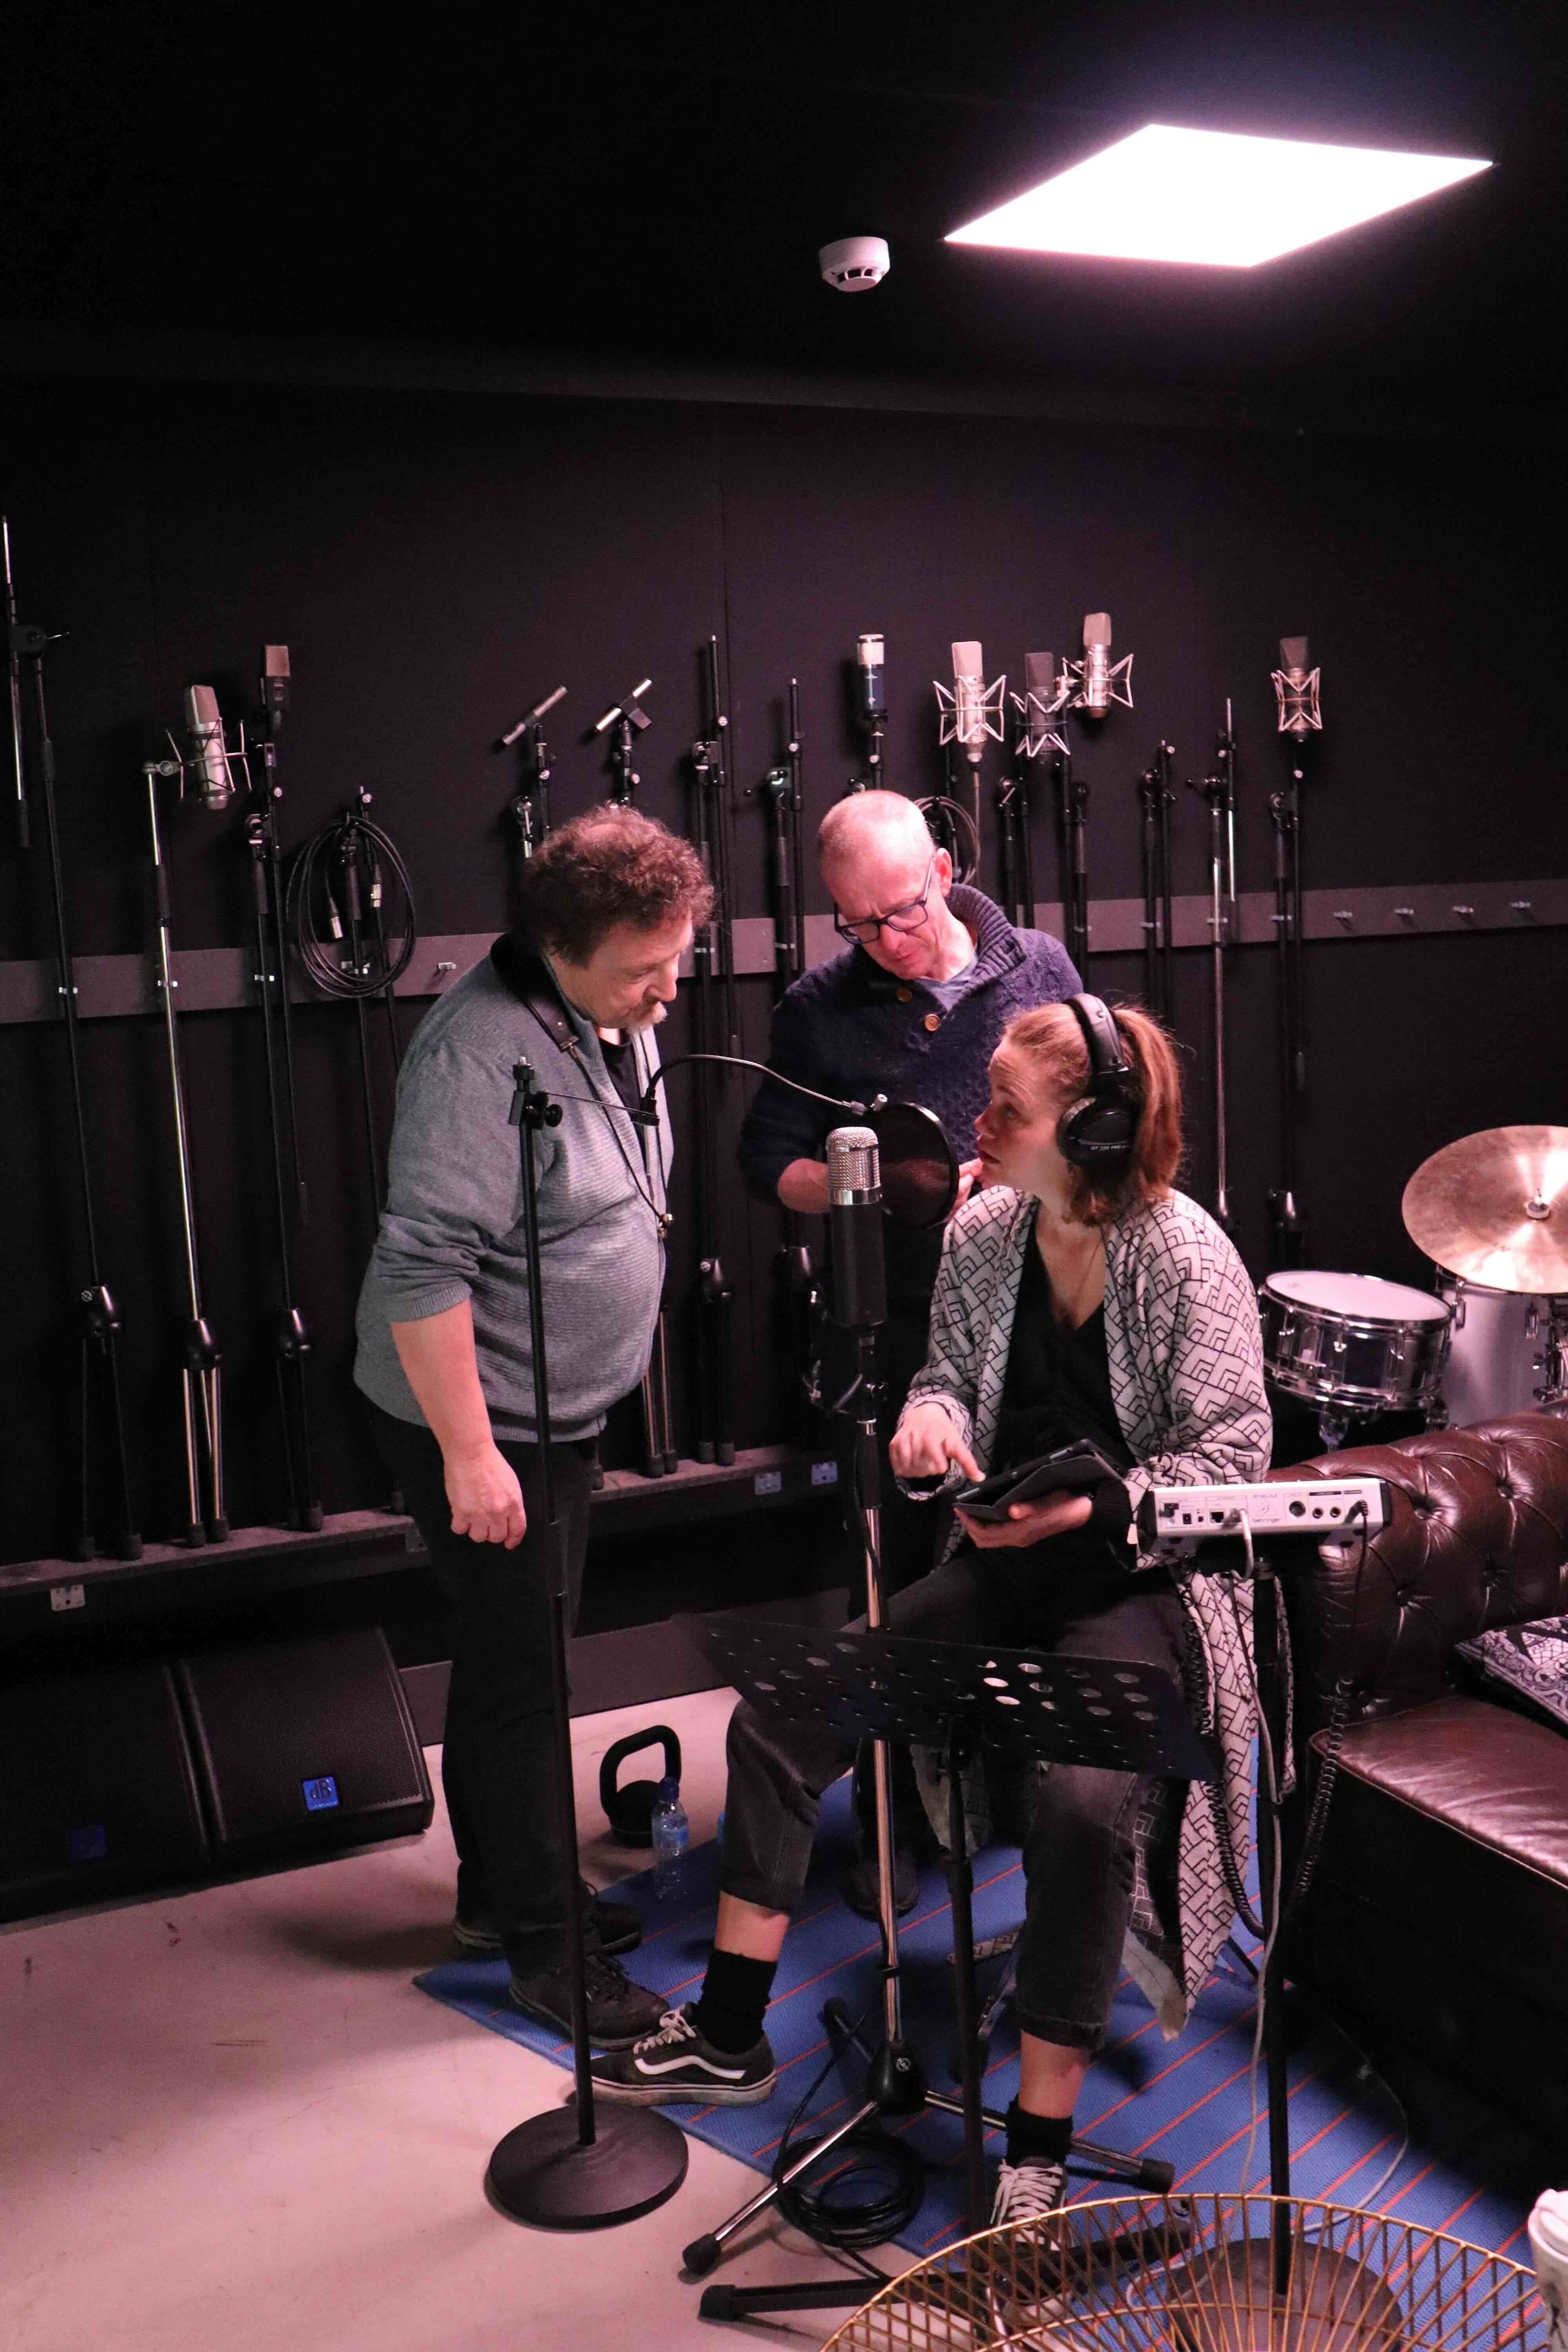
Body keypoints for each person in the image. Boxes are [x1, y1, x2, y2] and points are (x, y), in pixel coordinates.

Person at [593, 995, 1271, 2235]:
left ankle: (1040, 2139)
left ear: (1095, 1130)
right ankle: (733, 2031)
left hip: (1142, 1586)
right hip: (1005, 1571)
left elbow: (1232, 1459)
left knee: (1079, 1800)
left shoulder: (1183, 1255)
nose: (977, 1121)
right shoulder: (984, 1229)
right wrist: (931, 1422)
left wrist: (1096, 1511)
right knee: (784, 1716)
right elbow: (946, 1377)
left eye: (1005, 1107)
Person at [354, 806, 713, 2049]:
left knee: (527, 1657)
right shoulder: (474, 1060)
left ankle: (490, 1899)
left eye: (677, 958)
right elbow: (417, 1272)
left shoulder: (603, 1013)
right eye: (642, 967)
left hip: (557, 1408)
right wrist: (470, 1453)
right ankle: (545, 1955)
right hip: (485, 1416)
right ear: (559, 946)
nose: (669, 987)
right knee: (522, 1681)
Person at [738, 788, 1081, 1912]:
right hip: (892, 1324)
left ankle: (1011, 1810)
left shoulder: (1037, 965)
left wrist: (1027, 1171)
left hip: (1035, 1316)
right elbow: (767, 1164)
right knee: (893, 1581)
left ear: (942, 866)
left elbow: (1095, 1123)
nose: (887, 941)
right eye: (858, 926)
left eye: (900, 910)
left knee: (1022, 1564)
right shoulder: (817, 1009)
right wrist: (867, 1187)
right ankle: (890, 1825)